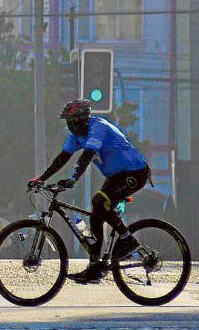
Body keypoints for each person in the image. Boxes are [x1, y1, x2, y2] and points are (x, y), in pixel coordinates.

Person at [29, 99, 149, 284]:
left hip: (135, 172)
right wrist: (41, 178)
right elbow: (63, 157)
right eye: (68, 122)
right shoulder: (77, 136)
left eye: (72, 122)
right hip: (116, 176)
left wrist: (72, 179)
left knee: (99, 202)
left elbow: (87, 156)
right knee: (96, 214)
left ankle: (128, 240)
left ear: (82, 119)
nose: (69, 126)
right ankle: (96, 268)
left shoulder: (97, 127)